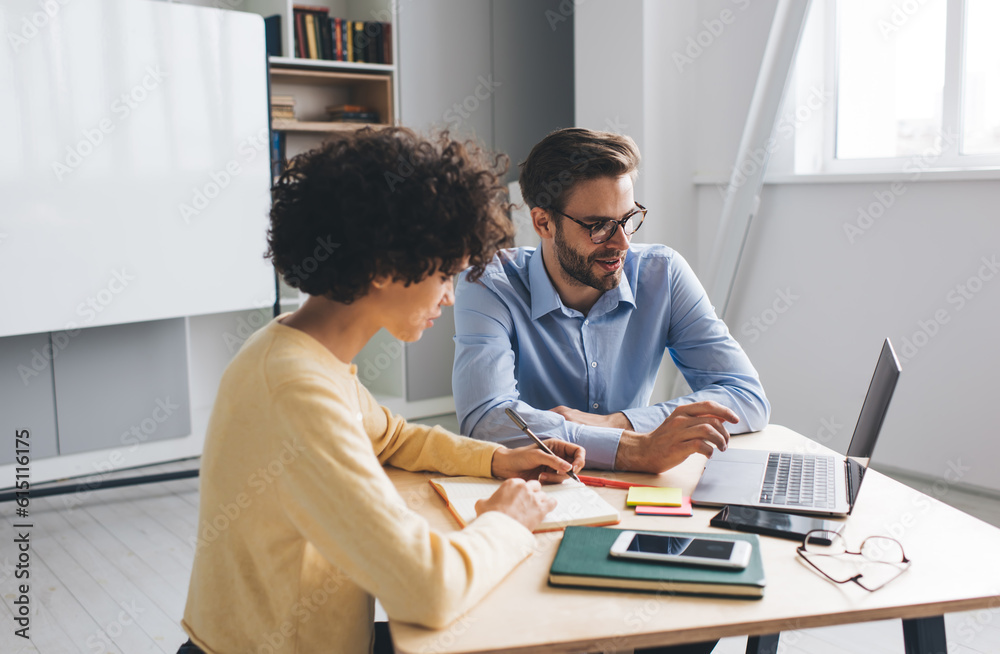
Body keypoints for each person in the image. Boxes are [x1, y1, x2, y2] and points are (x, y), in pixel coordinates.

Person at [178, 127, 585, 654]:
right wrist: (505, 521)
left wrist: (498, 462)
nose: (450, 298)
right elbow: (428, 589)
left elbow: (390, 438)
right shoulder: (297, 391)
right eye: (443, 275)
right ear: (383, 265)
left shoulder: (296, 351)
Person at [453, 127, 770, 474]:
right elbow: (485, 419)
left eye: (628, 219)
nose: (621, 242)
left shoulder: (663, 274)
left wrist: (617, 424)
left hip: (639, 490)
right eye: (599, 225)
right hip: (533, 489)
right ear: (544, 223)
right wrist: (633, 451)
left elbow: (745, 396)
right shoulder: (488, 284)